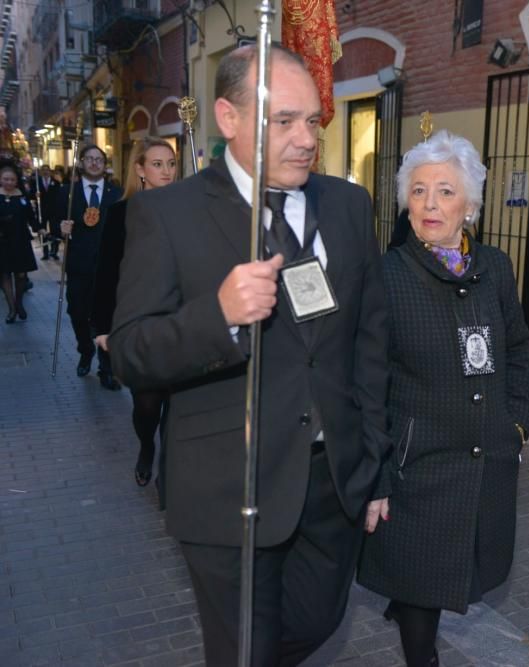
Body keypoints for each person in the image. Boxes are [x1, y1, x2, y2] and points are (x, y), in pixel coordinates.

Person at [108, 45, 390, 666]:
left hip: (329, 481)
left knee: (316, 622)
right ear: (228, 118)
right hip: (227, 486)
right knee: (244, 650)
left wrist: (370, 456)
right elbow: (129, 353)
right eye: (283, 121)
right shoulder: (168, 213)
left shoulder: (347, 206)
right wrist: (218, 316)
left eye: (313, 121)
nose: (305, 139)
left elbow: (369, 341)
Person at [357, 131, 529, 667]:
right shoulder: (387, 277)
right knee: (417, 585)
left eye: (444, 191)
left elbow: (519, 349)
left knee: (452, 571)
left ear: (471, 205)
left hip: (486, 458)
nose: (430, 204)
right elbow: (367, 385)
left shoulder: (496, 268)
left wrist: (518, 423)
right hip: (418, 467)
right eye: (417, 191)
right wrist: (378, 476)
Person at [92, 137, 177, 487]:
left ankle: (170, 467)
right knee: (147, 404)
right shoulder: (120, 214)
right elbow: (106, 274)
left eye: (171, 163)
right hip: (140, 323)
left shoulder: (188, 209)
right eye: (157, 164)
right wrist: (101, 327)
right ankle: (147, 445)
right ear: (139, 169)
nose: (167, 171)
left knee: (179, 403)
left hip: (180, 319)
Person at [58, 145, 123, 387]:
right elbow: (54, 222)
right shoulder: (68, 193)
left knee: (107, 316)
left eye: (99, 159)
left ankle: (106, 368)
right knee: (77, 312)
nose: (95, 163)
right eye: (90, 159)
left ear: (105, 164)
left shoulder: (116, 193)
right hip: (79, 265)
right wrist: (60, 229)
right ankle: (85, 349)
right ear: (82, 162)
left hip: (108, 266)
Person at [0, 163, 37, 323]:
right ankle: (12, 309)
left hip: (20, 240)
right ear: (1, 180)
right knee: (5, 274)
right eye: (6, 179)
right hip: (2, 241)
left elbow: (30, 216)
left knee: (20, 275)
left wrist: (40, 229)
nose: (9, 182)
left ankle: (19, 302)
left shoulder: (22, 196)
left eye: (12, 180)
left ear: (16, 181)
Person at [32, 165, 63, 260]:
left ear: (50, 172)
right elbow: (30, 195)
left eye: (47, 170)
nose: (45, 172)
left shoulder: (56, 183)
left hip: (54, 211)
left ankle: (54, 251)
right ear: (41, 172)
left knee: (55, 231)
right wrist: (35, 194)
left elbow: (59, 197)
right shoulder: (36, 183)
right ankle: (45, 252)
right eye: (43, 170)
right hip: (42, 211)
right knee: (43, 231)